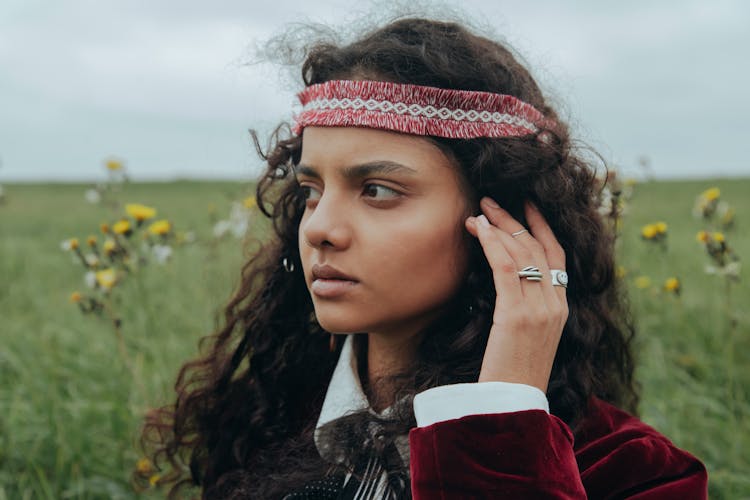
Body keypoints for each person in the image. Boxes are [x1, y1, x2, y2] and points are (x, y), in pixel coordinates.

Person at [138, 17, 708, 499]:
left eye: (378, 191)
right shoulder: (266, 410)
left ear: (503, 222)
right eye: (312, 191)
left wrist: (502, 418)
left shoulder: (633, 470)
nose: (320, 229)